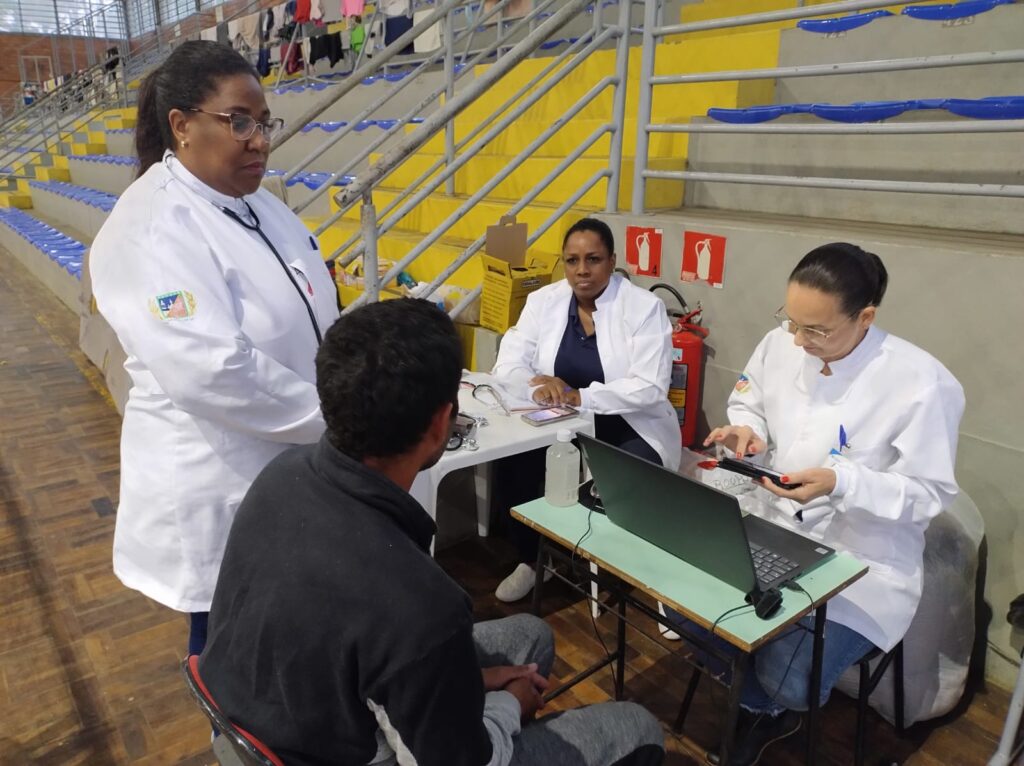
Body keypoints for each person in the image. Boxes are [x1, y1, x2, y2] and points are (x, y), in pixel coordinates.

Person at [199, 299, 666, 766]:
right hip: (362, 749)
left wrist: (469, 684)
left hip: (271, 721)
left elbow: (368, 646)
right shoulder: (417, 604)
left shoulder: (280, 473)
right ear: (443, 421)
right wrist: (511, 704)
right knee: (638, 729)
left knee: (531, 635)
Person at [89, 40, 339, 657]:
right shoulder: (151, 226)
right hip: (220, 479)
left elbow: (313, 309)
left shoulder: (263, 207)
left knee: (292, 637)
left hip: (294, 459)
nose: (260, 140)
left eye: (264, 122)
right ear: (182, 126)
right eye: (240, 122)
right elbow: (213, 370)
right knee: (234, 650)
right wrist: (341, 420)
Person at [671, 243, 964, 766]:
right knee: (678, 603)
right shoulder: (784, 343)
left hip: (863, 561)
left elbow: (930, 492)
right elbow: (750, 399)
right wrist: (748, 432)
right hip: (772, 524)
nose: (799, 341)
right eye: (792, 322)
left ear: (865, 317)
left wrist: (842, 481)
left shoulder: (922, 383)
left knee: (790, 677)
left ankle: (763, 702)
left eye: (817, 331)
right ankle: (755, 695)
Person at [490, 217, 681, 603]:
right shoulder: (544, 301)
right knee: (512, 462)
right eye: (572, 260)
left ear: (612, 261)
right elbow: (507, 363)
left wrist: (581, 396)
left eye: (593, 259)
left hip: (627, 423)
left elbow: (650, 386)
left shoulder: (643, 307)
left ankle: (632, 572)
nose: (582, 271)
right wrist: (540, 383)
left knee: (629, 477)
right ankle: (531, 558)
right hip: (560, 419)